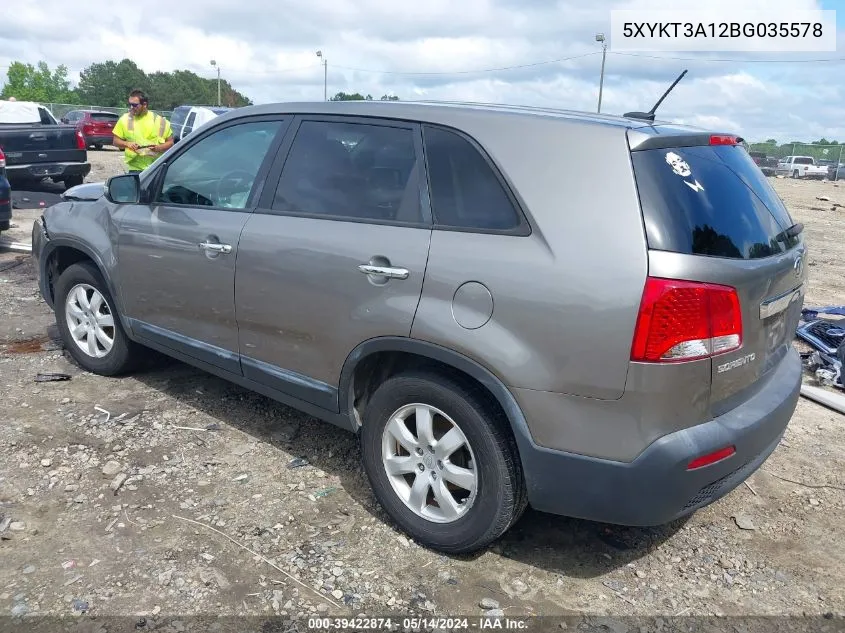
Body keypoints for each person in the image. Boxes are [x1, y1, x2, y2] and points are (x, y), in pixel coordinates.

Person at [112, 89, 173, 174]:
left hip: (156, 169)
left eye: (134, 105)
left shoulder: (160, 121)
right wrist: (127, 144)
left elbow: (170, 142)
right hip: (135, 169)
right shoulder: (125, 119)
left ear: (144, 104)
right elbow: (115, 141)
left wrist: (159, 148)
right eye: (130, 104)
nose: (131, 107)